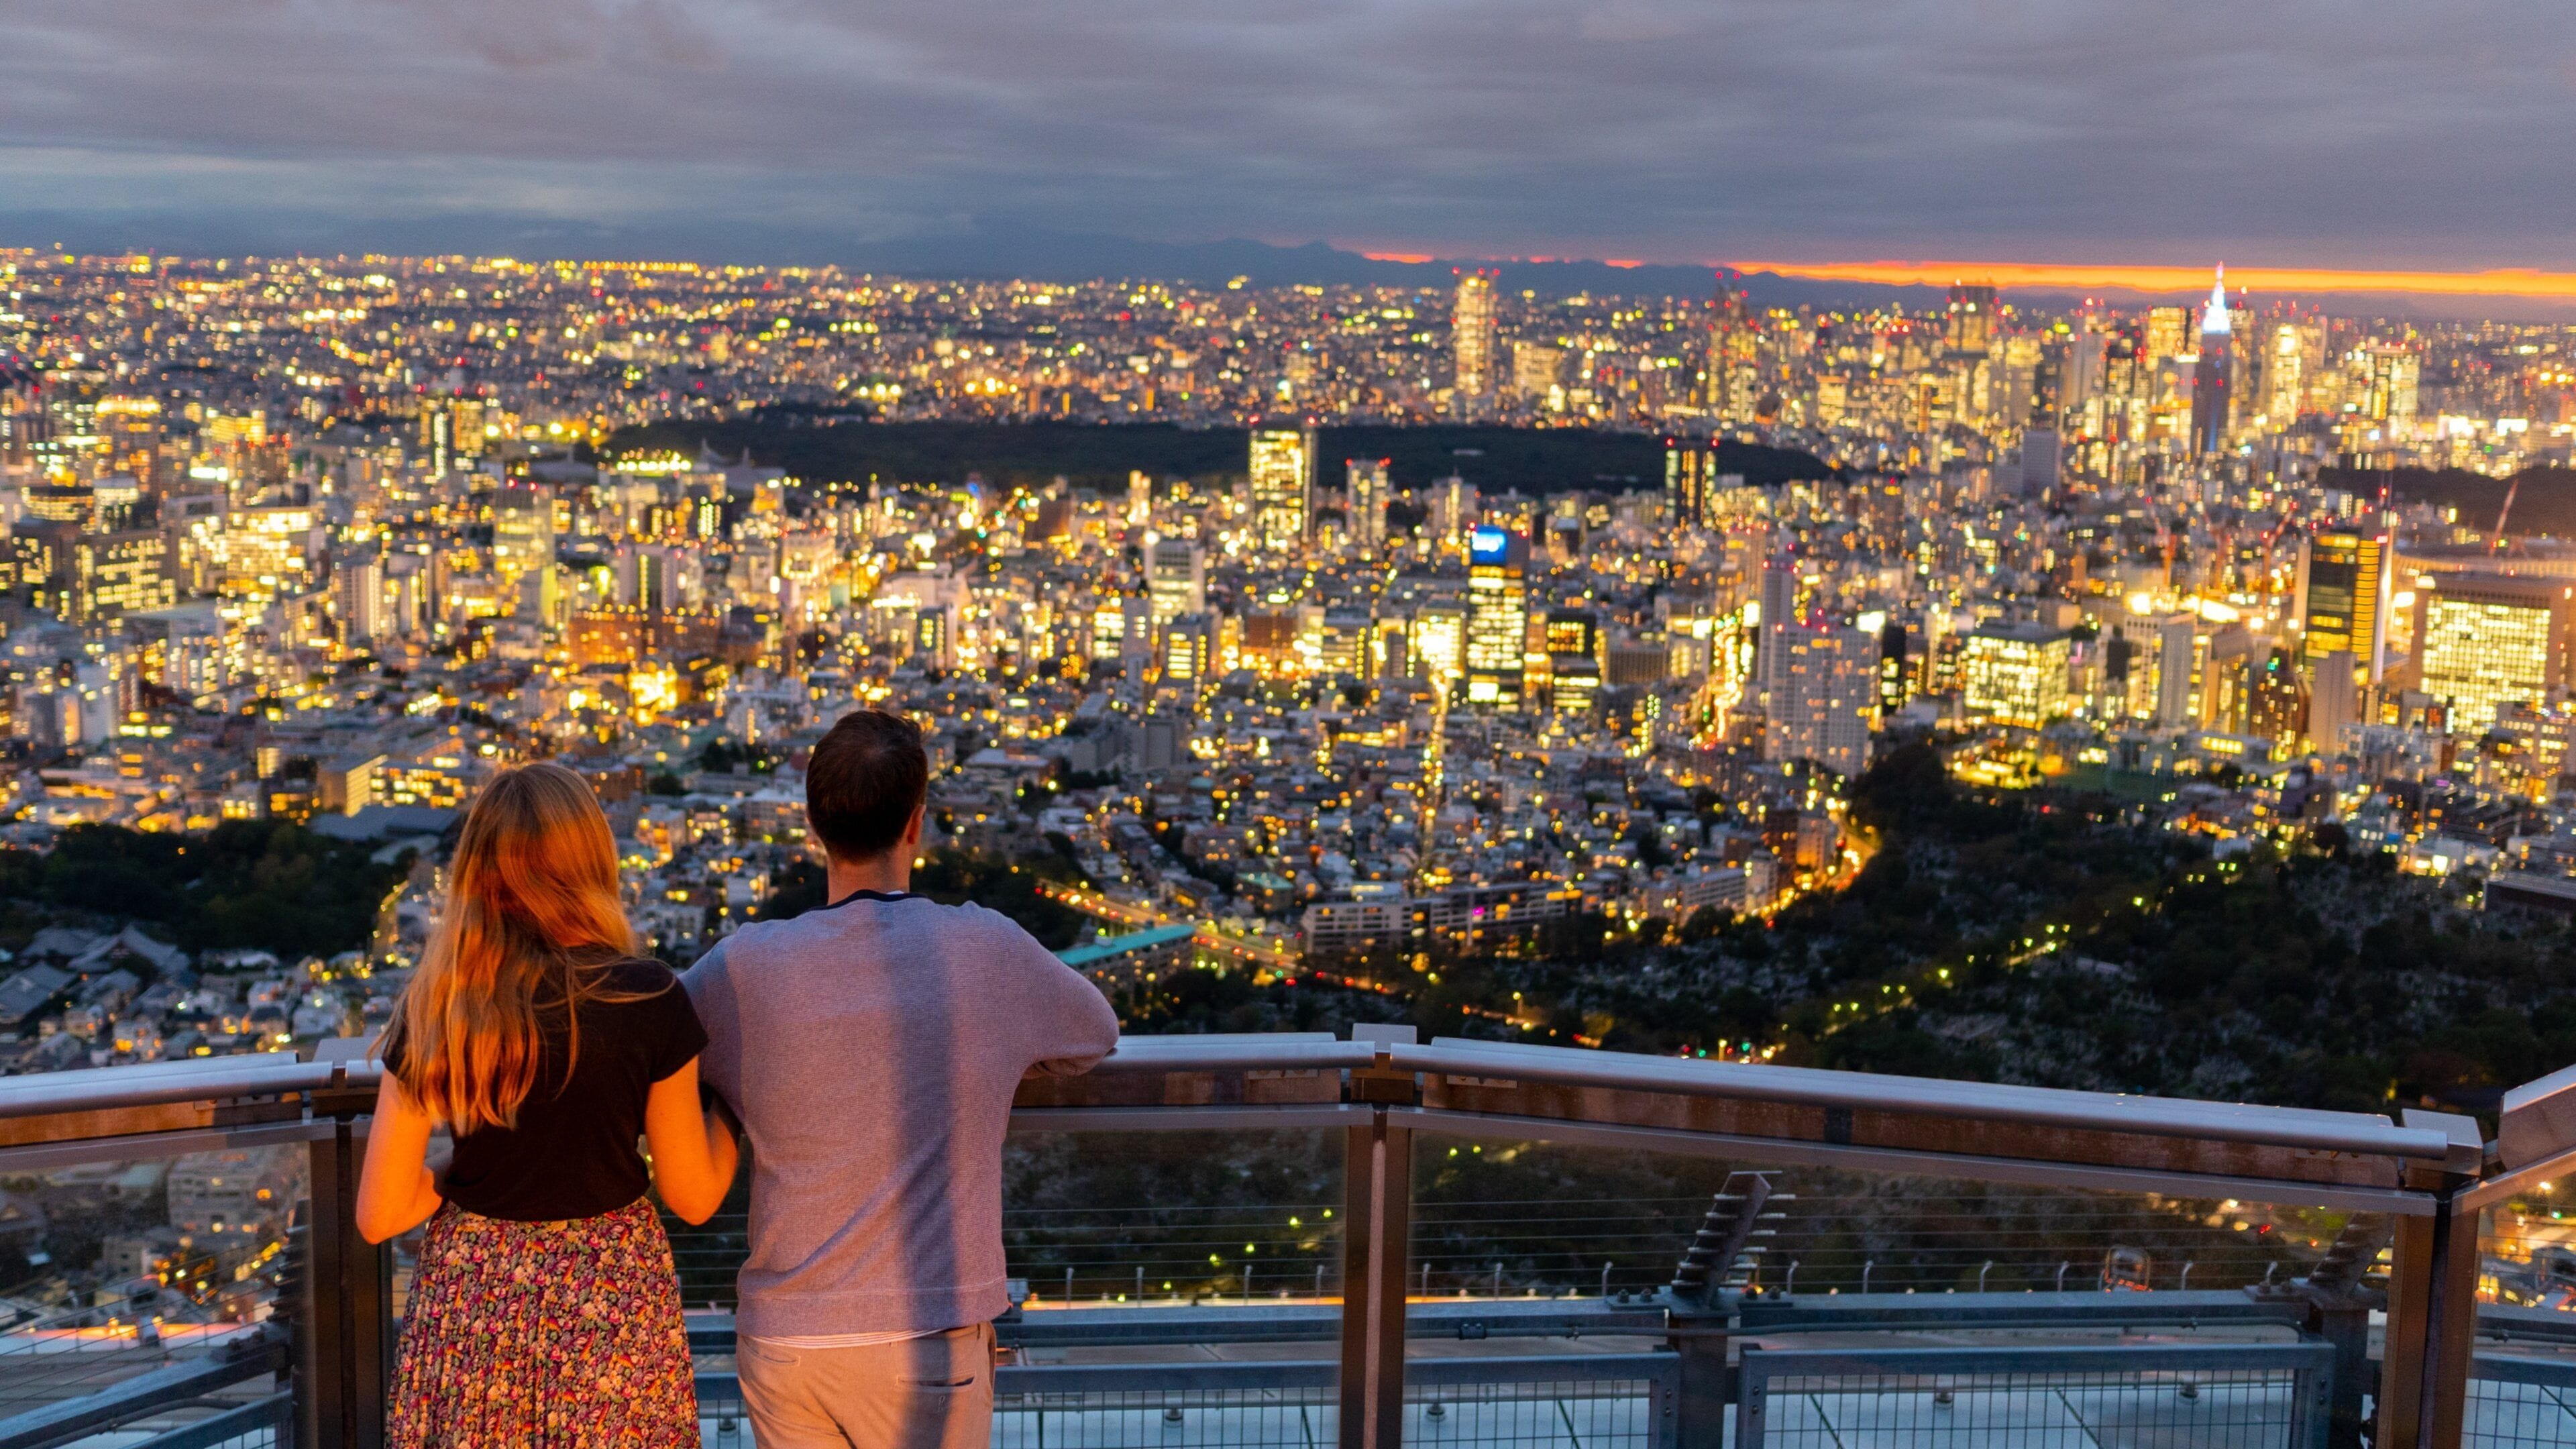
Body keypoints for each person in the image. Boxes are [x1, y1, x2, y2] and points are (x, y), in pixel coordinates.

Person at [685, 708, 1120, 1449]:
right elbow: (1096, 1033)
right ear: (917, 823)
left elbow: (660, 1041)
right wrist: (993, 1051)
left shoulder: (741, 968)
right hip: (927, 1334)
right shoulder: (984, 949)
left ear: (814, 824)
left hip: (787, 1338)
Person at [356, 762, 737, 1449]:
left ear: (476, 870)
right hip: (608, 1301)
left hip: (473, 1298)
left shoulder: (441, 1004)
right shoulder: (645, 997)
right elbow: (694, 1195)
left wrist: (458, 1172)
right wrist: (738, 1112)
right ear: (592, 860)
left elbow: (382, 1212)